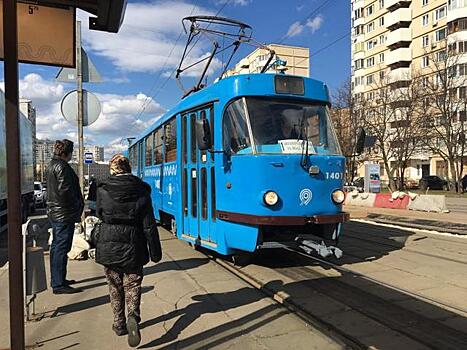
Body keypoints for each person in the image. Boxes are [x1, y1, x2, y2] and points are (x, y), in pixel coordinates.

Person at [94, 154, 162, 347]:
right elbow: (149, 226)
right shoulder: (141, 190)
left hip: (109, 245)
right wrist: (155, 252)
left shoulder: (103, 189)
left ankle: (119, 323)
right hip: (135, 245)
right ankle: (133, 316)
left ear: (113, 169)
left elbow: (99, 214)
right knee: (132, 285)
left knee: (114, 286)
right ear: (129, 168)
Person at [46, 139, 84, 294]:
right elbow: (65, 191)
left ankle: (59, 279)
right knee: (61, 248)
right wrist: (77, 205)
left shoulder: (51, 165)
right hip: (64, 214)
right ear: (66, 153)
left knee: (57, 247)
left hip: (56, 213)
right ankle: (58, 284)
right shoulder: (62, 166)